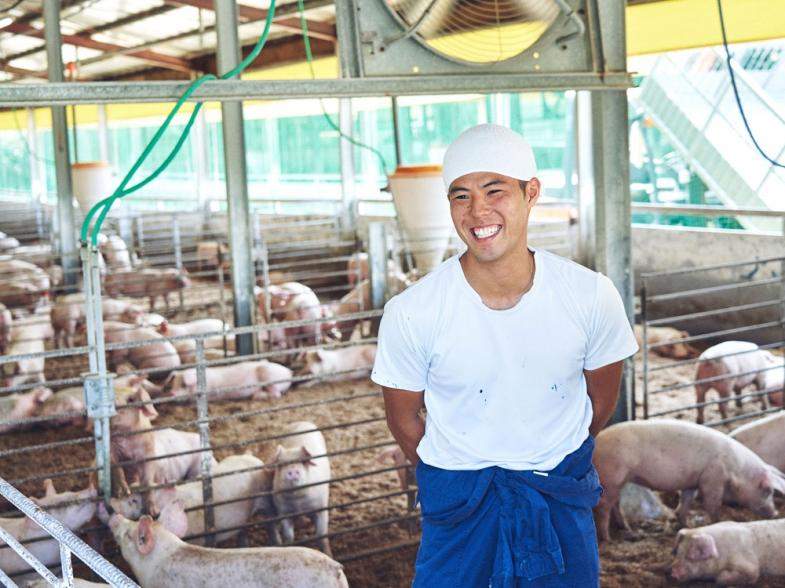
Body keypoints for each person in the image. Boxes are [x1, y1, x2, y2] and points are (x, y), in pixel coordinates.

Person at [371, 123, 638, 587]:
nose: (478, 211)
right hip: (461, 507)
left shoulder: (590, 295)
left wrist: (540, 450)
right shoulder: (412, 312)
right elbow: (404, 421)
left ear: (531, 192)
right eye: (461, 196)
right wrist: (467, 464)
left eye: (495, 190)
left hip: (556, 493)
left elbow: (599, 405)